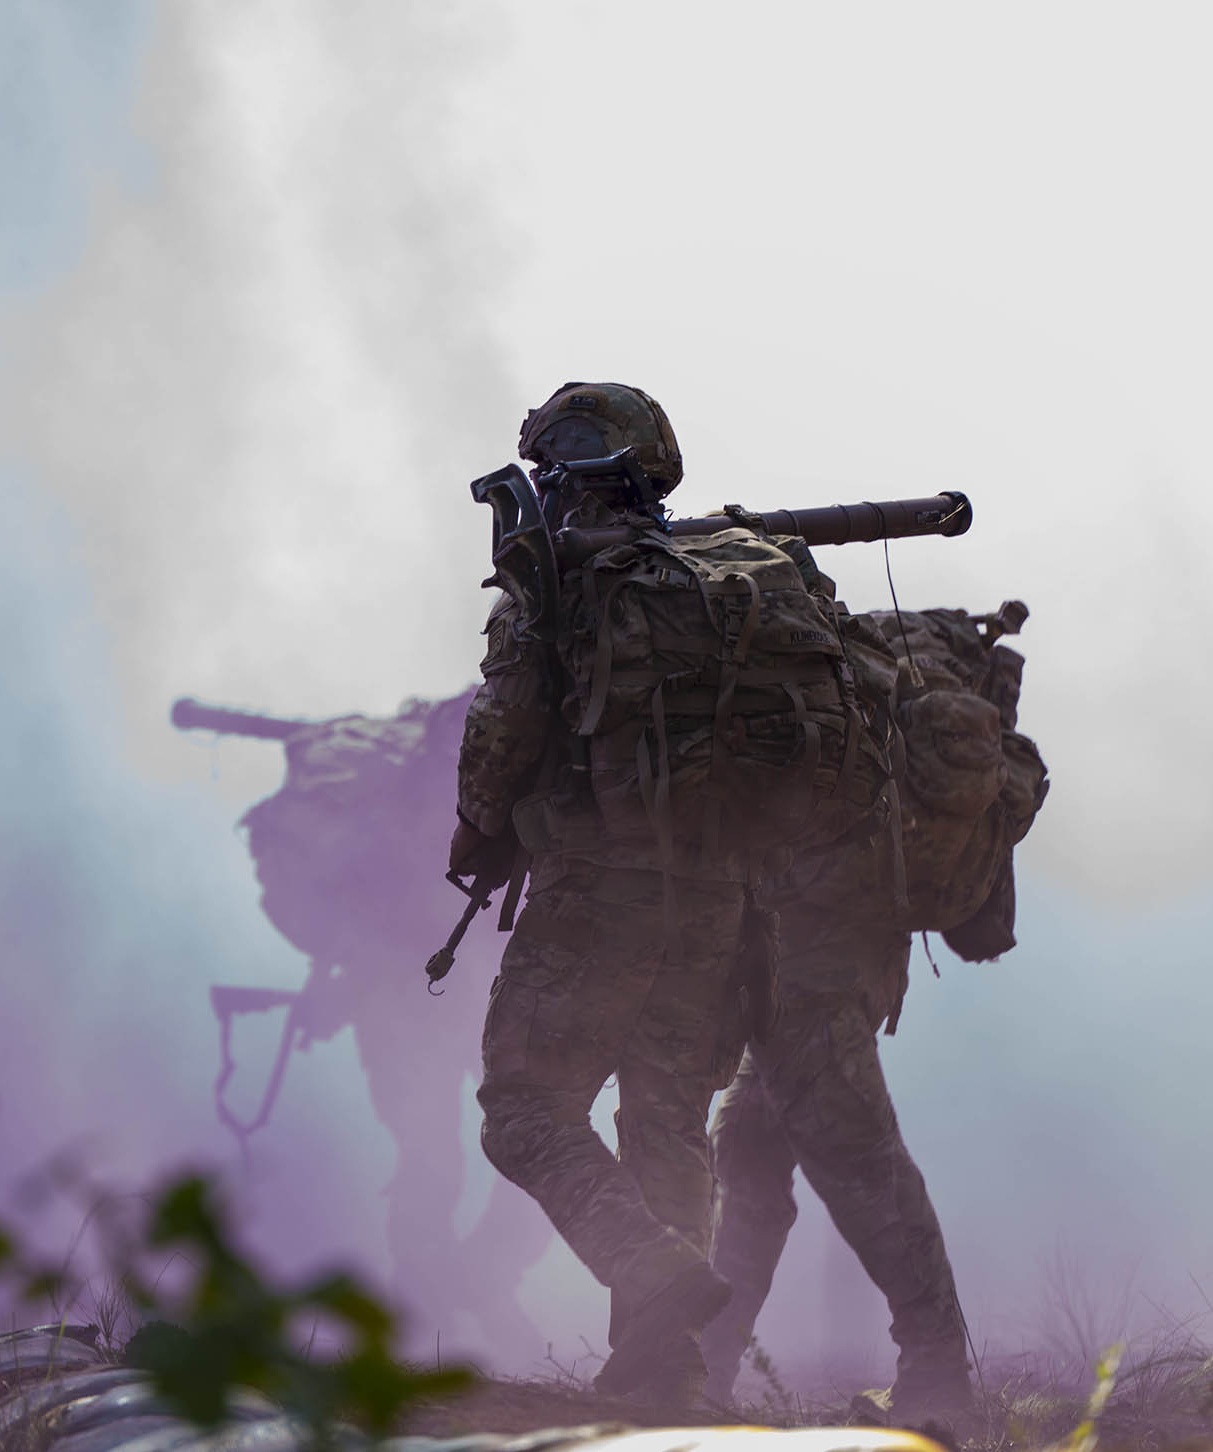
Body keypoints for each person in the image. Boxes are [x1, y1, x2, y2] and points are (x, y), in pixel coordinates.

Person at [452, 381, 891, 1413]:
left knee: (523, 1110)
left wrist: (478, 837)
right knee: (667, 1120)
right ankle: (661, 1372)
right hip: (724, 903)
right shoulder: (746, 577)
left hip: (596, 895)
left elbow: (503, 737)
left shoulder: (561, 581)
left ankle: (645, 1272)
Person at [699, 605, 1048, 1430]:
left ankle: (936, 1377)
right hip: (818, 960)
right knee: (749, 1151)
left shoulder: (805, 701)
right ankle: (704, 1364)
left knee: (858, 1164)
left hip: (811, 973)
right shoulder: (826, 698)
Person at [186, 690, 556, 1357]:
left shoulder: (406, 789)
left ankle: (450, 1299)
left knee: (455, 1156)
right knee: (498, 1146)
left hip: (436, 990)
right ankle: (436, 1312)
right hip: (446, 989)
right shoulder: (452, 785)